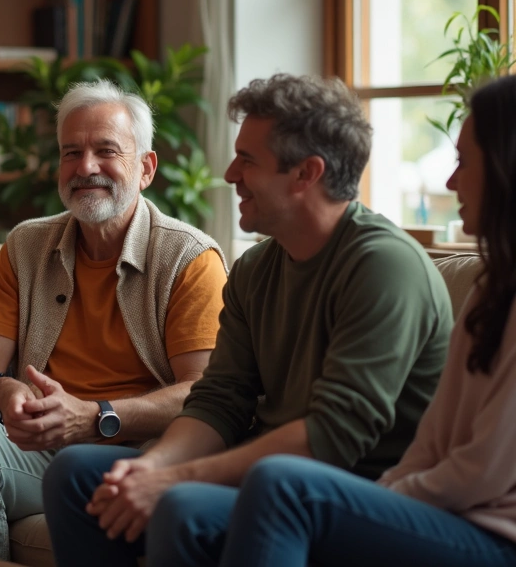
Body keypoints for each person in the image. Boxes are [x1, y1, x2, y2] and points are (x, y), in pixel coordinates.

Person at [42, 73, 455, 567]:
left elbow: (334, 435)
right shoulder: (256, 269)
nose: (231, 173)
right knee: (77, 474)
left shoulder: (383, 266)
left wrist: (172, 480)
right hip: (268, 473)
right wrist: (147, 471)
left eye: (248, 160)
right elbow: (219, 402)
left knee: (182, 505)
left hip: (356, 492)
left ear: (306, 174)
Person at [169, 75, 516, 567]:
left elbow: (479, 473)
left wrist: (386, 497)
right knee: (85, 473)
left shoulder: (384, 265)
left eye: (463, 161)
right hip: (435, 500)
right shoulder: (490, 289)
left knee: (279, 485)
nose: (450, 182)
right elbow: (434, 442)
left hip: (493, 533)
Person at [0, 79, 229, 560]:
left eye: (106, 151)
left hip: (145, 451)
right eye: (71, 153)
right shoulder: (26, 247)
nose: (86, 168)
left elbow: (206, 394)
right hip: (43, 446)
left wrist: (96, 416)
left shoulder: (188, 259)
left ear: (145, 168)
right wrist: (3, 392)